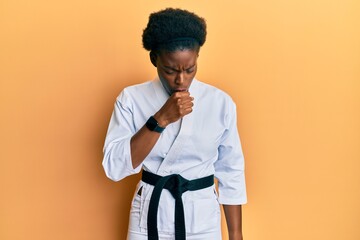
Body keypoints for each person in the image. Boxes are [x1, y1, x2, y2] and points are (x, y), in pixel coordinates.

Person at [102, 8, 247, 240]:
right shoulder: (131, 99)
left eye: (189, 69)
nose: (181, 79)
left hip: (203, 219)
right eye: (170, 70)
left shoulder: (220, 103)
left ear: (197, 57)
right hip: (148, 215)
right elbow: (114, 168)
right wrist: (160, 119)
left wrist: (236, 234)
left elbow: (231, 171)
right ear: (154, 59)